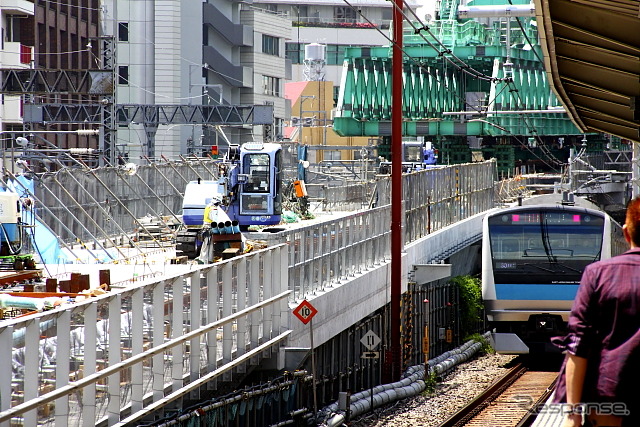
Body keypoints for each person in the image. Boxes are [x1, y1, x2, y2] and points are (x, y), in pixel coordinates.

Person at [552, 197, 640, 427]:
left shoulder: (598, 274)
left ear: (626, 233)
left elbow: (578, 343)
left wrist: (572, 414)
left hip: (609, 399)